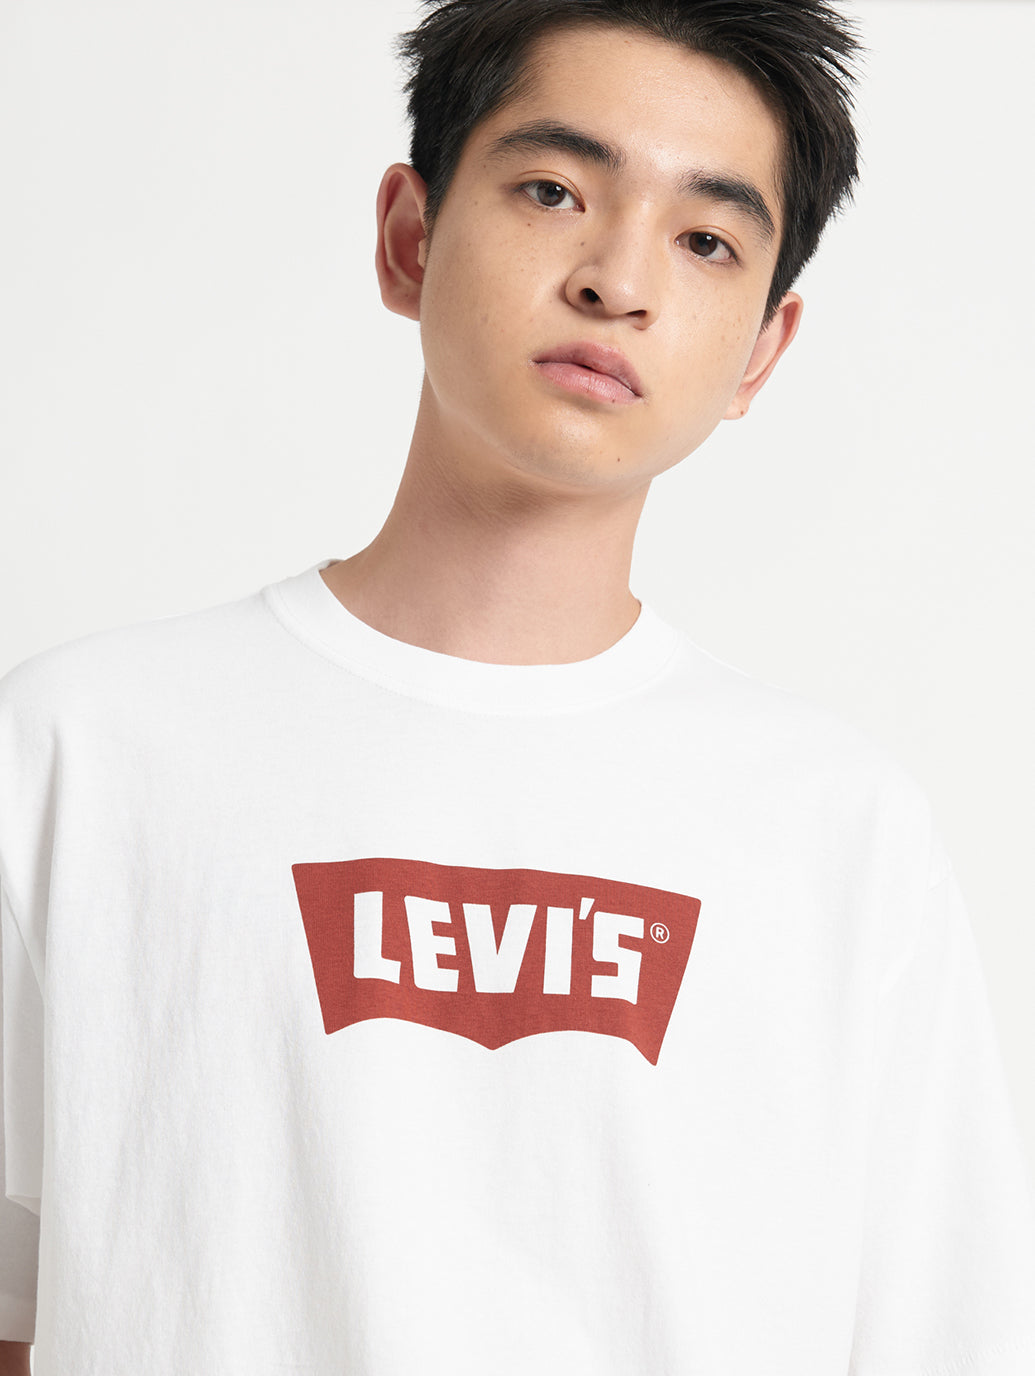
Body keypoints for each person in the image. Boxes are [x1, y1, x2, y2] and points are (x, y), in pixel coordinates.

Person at [2, 1, 1034, 1372]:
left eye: (706, 239)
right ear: (409, 238)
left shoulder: (841, 832)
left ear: (761, 351)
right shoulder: (78, 752)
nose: (619, 279)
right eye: (554, 191)